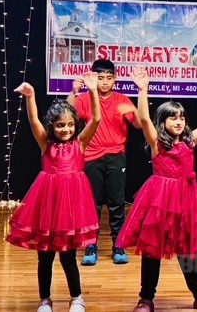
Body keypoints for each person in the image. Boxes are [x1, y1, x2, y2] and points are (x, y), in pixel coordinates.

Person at [116, 67, 197, 312]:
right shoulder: (157, 143)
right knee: (152, 252)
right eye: (173, 118)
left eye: (182, 118)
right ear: (163, 122)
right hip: (159, 201)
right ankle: (146, 299)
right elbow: (144, 119)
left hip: (186, 201)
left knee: (188, 252)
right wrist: (143, 90)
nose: (179, 122)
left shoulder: (189, 141)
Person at [7, 73, 101, 312]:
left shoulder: (80, 144)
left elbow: (97, 119)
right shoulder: (45, 144)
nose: (66, 129)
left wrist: (92, 91)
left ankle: (77, 298)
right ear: (52, 127)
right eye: (60, 125)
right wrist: (31, 96)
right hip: (47, 205)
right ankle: (45, 299)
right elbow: (33, 121)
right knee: (45, 257)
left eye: (70, 125)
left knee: (69, 257)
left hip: (71, 208)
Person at [68, 59, 142, 266]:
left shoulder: (122, 99)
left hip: (116, 156)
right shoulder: (85, 99)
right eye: (100, 78)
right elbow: (67, 115)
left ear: (115, 79)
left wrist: (139, 96)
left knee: (117, 203)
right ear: (93, 78)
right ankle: (90, 245)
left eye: (109, 78)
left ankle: (119, 245)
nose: (105, 82)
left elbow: (139, 124)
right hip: (91, 157)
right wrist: (74, 91)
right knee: (92, 204)